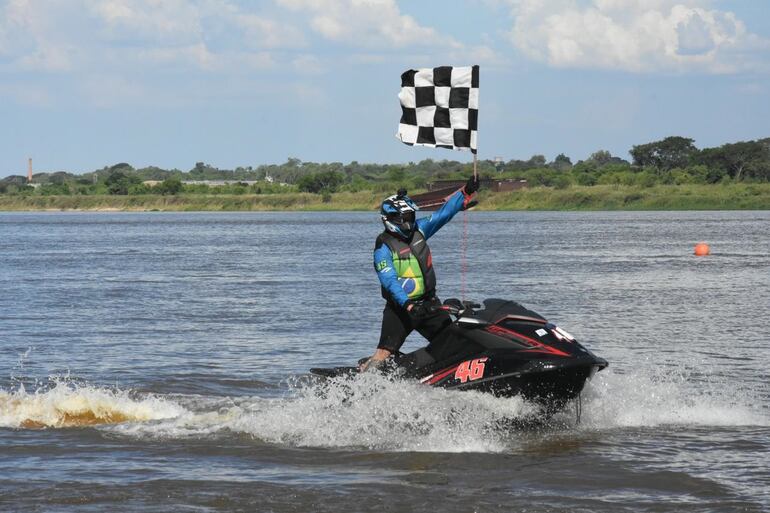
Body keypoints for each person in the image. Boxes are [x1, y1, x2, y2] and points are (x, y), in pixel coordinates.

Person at [361, 174, 480, 371]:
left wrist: (465, 192)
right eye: (405, 218)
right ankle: (362, 380)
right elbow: (389, 281)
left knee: (453, 343)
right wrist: (408, 305)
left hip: (429, 306)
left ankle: (450, 375)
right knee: (384, 352)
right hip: (400, 310)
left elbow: (444, 214)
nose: (409, 222)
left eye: (411, 217)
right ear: (391, 219)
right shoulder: (383, 247)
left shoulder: (420, 230)